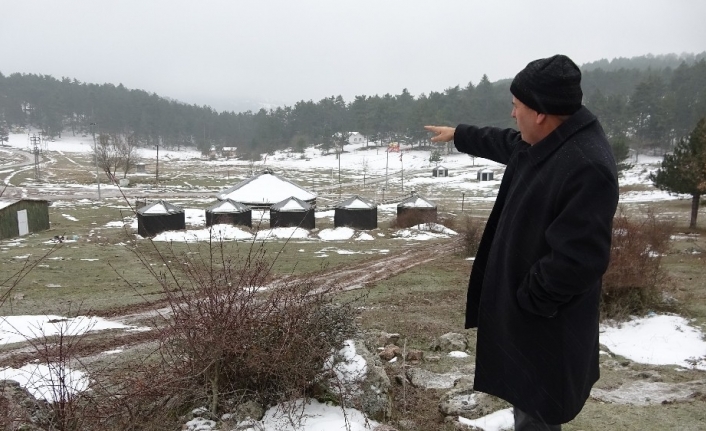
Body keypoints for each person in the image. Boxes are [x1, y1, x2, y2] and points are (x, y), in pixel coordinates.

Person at [425, 54, 619, 430]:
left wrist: (528, 301)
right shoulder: (550, 142)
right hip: (531, 320)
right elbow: (507, 142)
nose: (512, 115)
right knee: (525, 400)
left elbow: (579, 259)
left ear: (541, 113)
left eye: (517, 107)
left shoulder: (586, 166)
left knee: (538, 409)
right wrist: (460, 134)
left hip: (546, 327)